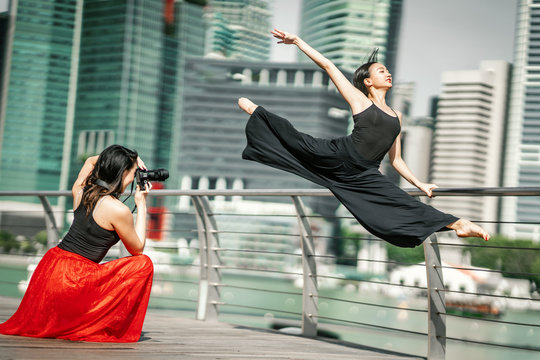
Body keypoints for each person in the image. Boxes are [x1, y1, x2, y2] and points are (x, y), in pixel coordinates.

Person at [239, 29, 490, 247]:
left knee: (399, 201)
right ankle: (257, 112)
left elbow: (397, 160)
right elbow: (328, 66)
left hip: (365, 173)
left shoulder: (397, 116)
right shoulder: (360, 101)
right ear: (368, 82)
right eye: (382, 71)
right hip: (339, 155)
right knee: (296, 139)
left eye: (388, 71)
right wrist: (298, 42)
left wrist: (420, 184)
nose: (388, 74)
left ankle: (458, 224)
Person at [0, 145, 153, 342]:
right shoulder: (118, 210)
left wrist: (127, 159)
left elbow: (91, 160)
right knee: (144, 264)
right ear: (123, 172)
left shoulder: (81, 191)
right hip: (75, 279)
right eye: (133, 173)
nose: (133, 178)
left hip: (50, 269)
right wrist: (141, 205)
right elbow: (138, 249)